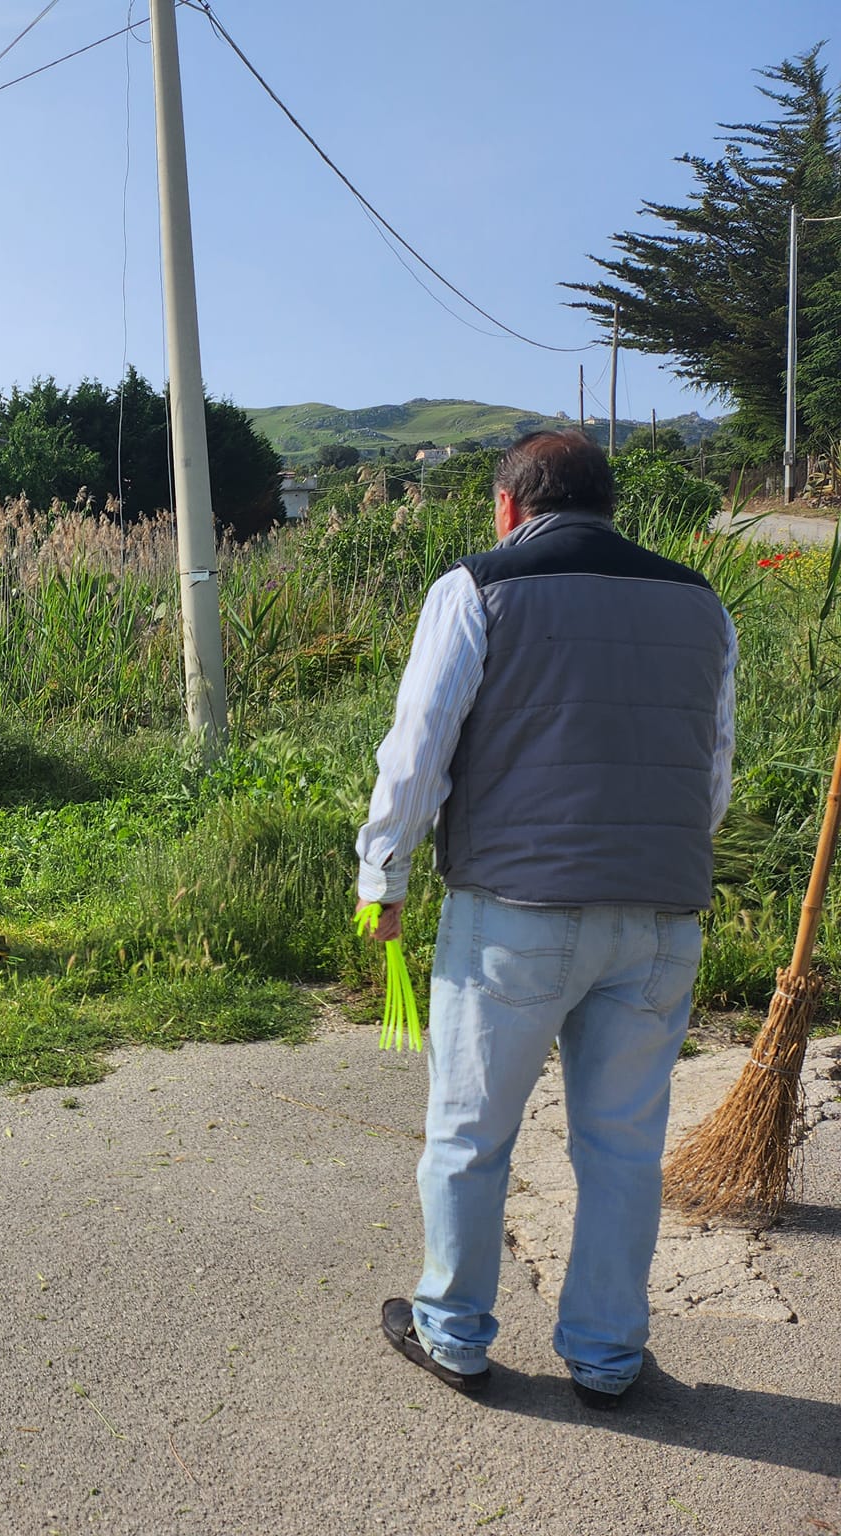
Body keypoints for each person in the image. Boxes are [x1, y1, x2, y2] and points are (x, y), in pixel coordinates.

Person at [355, 430, 734, 1410]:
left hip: (513, 915)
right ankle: (607, 1356)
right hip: (660, 915)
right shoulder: (699, 601)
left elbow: (418, 748)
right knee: (621, 1149)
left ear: (508, 506)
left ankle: (452, 1335)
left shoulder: (476, 588)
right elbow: (711, 773)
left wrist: (382, 872)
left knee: (470, 1136)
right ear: (608, 506)